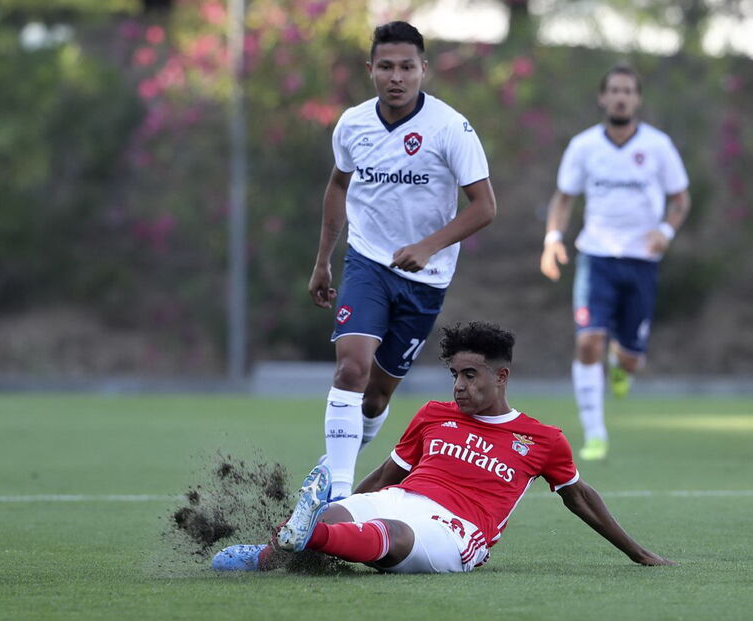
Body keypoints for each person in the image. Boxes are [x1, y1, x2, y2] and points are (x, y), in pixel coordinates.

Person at [212, 322, 672, 573]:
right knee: (337, 515)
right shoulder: (433, 414)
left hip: (457, 530)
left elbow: (580, 499)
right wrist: (351, 503)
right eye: (454, 375)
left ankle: (296, 538)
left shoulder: (542, 439)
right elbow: (389, 473)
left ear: (500, 377)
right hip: (404, 496)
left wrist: (638, 553)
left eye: (469, 375)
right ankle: (274, 555)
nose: (458, 385)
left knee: (393, 535)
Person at [309, 21, 496, 500]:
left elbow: (484, 207)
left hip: (425, 279)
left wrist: (428, 245)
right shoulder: (352, 123)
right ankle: (338, 492)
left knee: (375, 395)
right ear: (370, 69)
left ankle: (341, 458)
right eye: (386, 66)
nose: (396, 77)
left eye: (407, 67)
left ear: (423, 70)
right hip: (367, 263)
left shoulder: (450, 128)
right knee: (351, 368)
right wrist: (323, 260)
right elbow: (337, 184)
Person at [539, 64, 691, 461]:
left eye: (628, 91)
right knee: (587, 339)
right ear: (602, 98)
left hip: (642, 262)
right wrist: (553, 238)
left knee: (630, 358)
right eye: (615, 90)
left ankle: (621, 363)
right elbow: (564, 197)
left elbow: (680, 199)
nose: (621, 97)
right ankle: (595, 433)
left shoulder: (658, 146)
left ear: (637, 99)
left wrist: (666, 231)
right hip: (597, 257)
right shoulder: (584, 146)